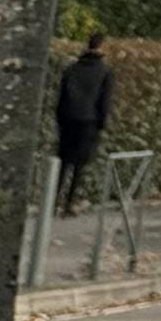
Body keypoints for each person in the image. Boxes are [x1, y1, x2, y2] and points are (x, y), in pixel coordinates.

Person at [53, 32, 117, 213]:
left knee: (63, 162)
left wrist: (59, 118)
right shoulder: (105, 72)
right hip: (89, 121)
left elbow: (61, 97)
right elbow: (104, 100)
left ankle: (53, 199)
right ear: (102, 47)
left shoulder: (71, 69)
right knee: (80, 164)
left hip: (67, 119)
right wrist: (102, 123)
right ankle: (69, 203)